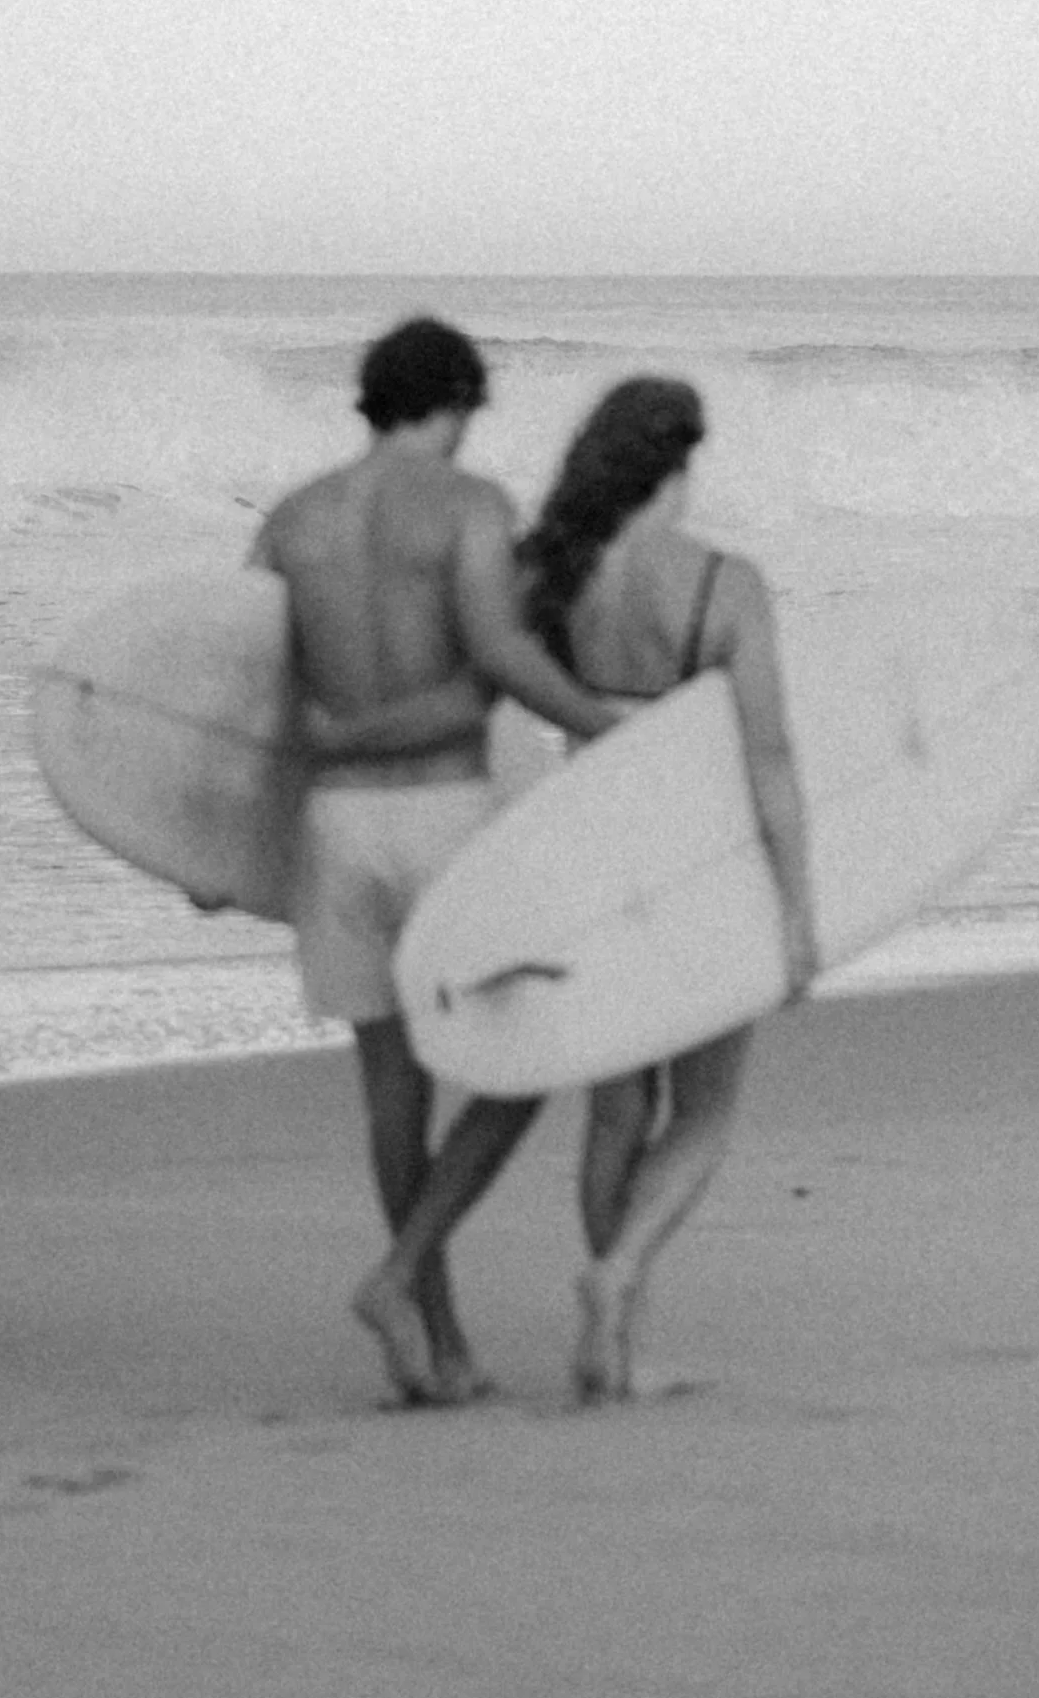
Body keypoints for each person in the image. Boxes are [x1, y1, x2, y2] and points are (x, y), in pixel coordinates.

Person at [251, 316, 623, 1408]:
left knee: (390, 1092)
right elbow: (500, 656)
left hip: (334, 831)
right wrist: (607, 729)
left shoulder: (288, 522)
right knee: (532, 1060)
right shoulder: (467, 508)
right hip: (445, 822)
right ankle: (403, 1274)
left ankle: (442, 1348)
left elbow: (242, 700)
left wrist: (222, 852)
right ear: (455, 401)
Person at [516, 375, 819, 1404]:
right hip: (703, 867)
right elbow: (769, 760)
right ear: (678, 468)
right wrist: (795, 909)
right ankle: (619, 1278)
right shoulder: (723, 586)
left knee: (614, 1112)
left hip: (596, 866)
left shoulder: (555, 578)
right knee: (703, 1110)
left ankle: (615, 1343)